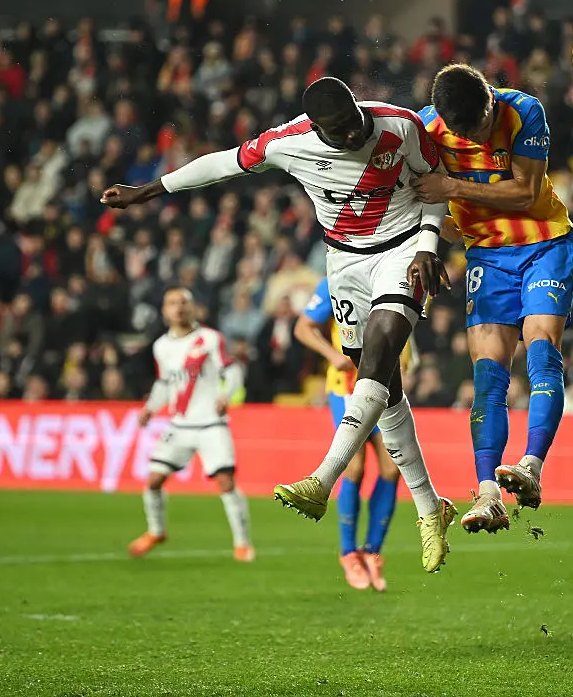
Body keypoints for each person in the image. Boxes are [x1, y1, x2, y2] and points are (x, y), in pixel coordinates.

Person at [102, 76, 457, 574]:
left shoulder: (398, 124)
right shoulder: (288, 142)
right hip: (344, 264)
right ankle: (430, 507)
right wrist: (150, 190)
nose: (354, 137)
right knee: (384, 387)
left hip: (400, 251)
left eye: (355, 125)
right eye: (339, 132)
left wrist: (426, 246)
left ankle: (323, 478)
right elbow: (221, 163)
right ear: (317, 128)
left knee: (380, 352)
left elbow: (435, 185)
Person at [416, 64, 573, 533]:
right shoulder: (425, 130)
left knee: (542, 348)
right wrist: (428, 245)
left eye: (485, 122)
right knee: (488, 377)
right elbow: (416, 196)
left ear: (490, 94)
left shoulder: (524, 110)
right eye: (470, 133)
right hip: (487, 254)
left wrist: (453, 188)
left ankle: (531, 466)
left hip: (544, 242)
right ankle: (488, 495)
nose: (483, 136)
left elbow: (526, 192)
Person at [297, 276, 419, 591]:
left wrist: (408, 356)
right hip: (348, 387)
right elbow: (302, 327)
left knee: (392, 469)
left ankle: (372, 553)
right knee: (355, 466)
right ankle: (348, 552)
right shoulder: (334, 279)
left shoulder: (394, 274)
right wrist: (333, 355)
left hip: (387, 381)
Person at [128, 287, 253, 562]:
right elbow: (164, 384)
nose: (179, 307)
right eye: (172, 303)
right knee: (153, 480)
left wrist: (225, 395)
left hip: (211, 423)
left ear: (193, 307)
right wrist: (150, 409)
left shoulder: (209, 339)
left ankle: (242, 544)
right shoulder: (161, 346)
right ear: (165, 311)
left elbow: (231, 370)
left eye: (184, 302)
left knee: (225, 481)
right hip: (180, 425)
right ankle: (156, 531)